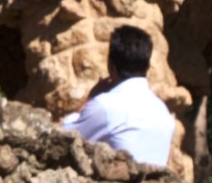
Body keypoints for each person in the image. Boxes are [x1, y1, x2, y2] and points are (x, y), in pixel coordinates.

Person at [66, 27, 191, 173]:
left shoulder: (105, 106)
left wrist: (91, 98)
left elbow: (63, 137)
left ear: (111, 66)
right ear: (147, 66)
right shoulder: (164, 114)